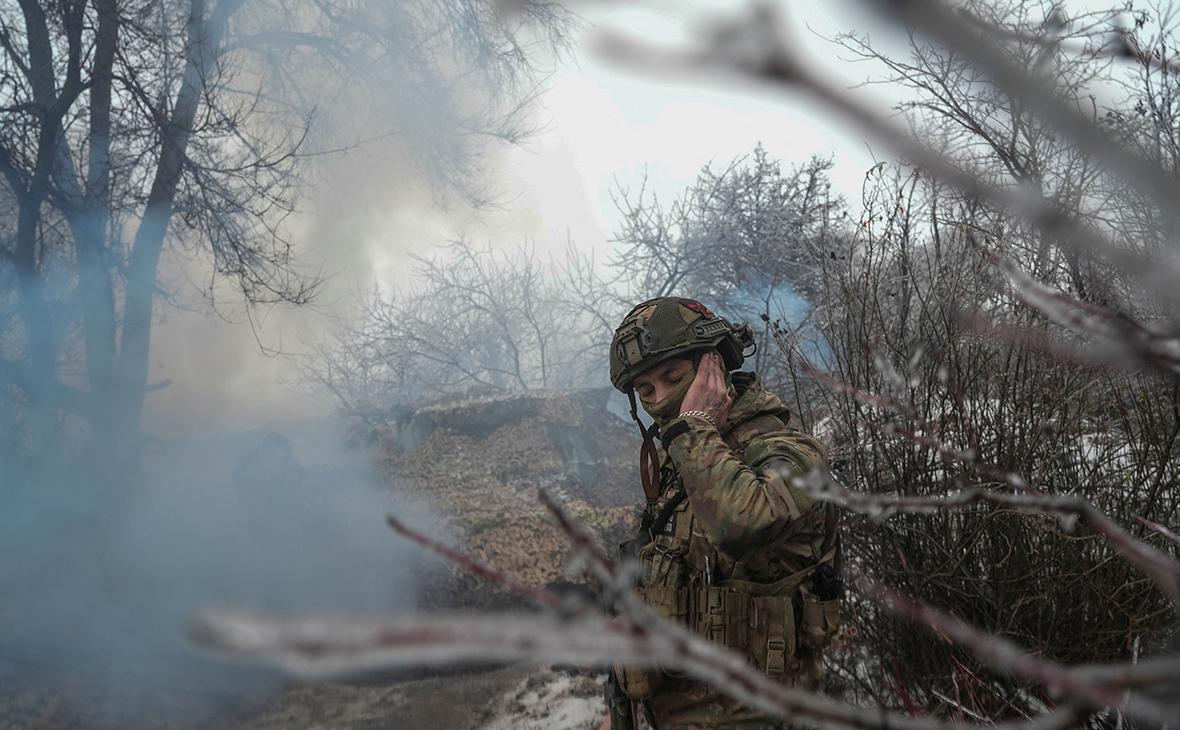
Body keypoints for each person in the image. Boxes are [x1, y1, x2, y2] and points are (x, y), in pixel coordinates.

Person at [599, 297, 843, 730]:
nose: (659, 401)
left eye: (673, 378)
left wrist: (693, 426)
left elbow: (742, 522)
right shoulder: (687, 460)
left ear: (714, 368)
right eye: (645, 390)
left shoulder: (787, 450)